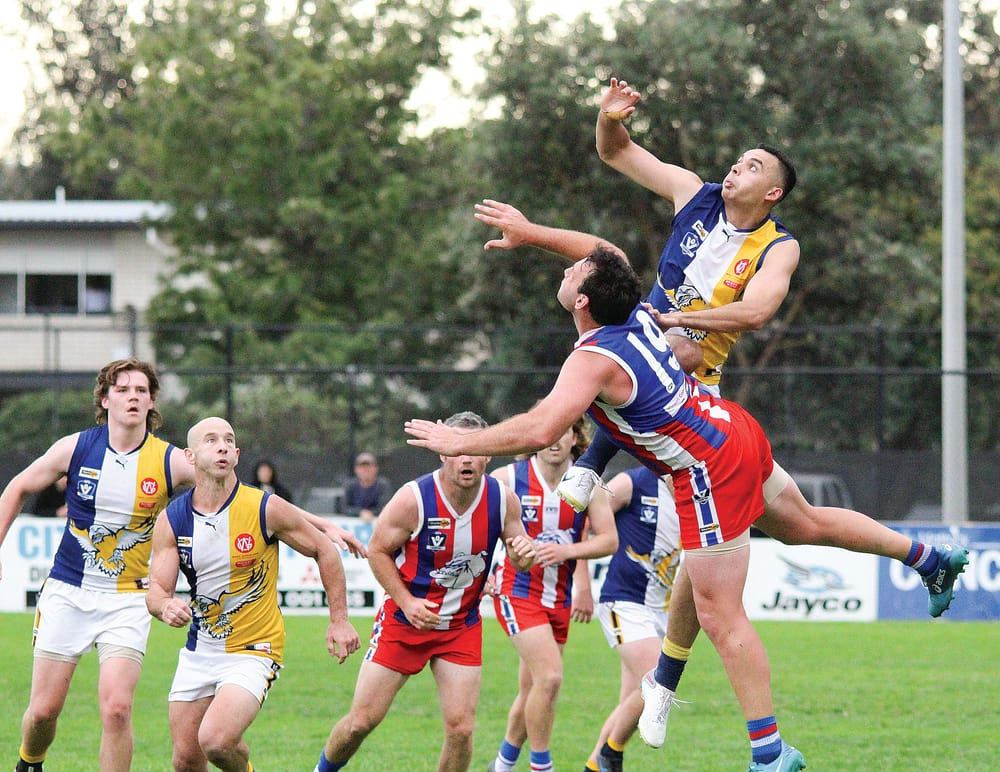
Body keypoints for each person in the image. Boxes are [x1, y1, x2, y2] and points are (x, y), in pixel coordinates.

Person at [404, 230, 963, 772]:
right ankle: (929, 560)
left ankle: (769, 752)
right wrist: (529, 234)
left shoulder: (593, 357)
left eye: (572, 271)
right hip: (730, 427)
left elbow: (541, 426)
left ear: (581, 299)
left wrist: (462, 440)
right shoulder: (640, 314)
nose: (568, 267)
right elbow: (679, 342)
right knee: (804, 524)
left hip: (705, 470)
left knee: (722, 614)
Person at [0, 358, 196, 772]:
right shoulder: (76, 447)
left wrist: (313, 525)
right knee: (42, 713)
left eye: (141, 391)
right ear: (105, 399)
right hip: (68, 592)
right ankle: (30, 760)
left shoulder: (171, 459)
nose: (133, 397)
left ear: (151, 403)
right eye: (123, 389)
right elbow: (17, 487)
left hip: (129, 599)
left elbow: (235, 492)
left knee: (118, 710)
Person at [314, 412, 537, 772]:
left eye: (473, 449)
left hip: (460, 627)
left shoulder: (503, 499)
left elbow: (520, 554)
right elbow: (377, 551)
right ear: (442, 453)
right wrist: (406, 601)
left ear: (488, 455)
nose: (465, 458)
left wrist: (524, 555)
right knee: (361, 723)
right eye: (457, 449)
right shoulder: (413, 498)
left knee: (462, 730)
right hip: (403, 623)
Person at [146, 416, 361, 772]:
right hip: (201, 648)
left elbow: (325, 550)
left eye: (229, 441)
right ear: (190, 456)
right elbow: (155, 591)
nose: (222, 446)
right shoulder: (173, 519)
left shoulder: (265, 507)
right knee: (185, 759)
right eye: (211, 440)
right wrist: (164, 606)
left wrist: (339, 620)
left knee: (216, 740)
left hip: (254, 649)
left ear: (237, 454)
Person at [486, 415, 618, 772]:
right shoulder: (508, 479)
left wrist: (568, 554)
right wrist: (480, 574)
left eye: (564, 431)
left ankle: (502, 764)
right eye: (548, 431)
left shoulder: (586, 482)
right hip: (517, 590)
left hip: (557, 598)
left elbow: (609, 539)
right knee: (551, 678)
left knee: (534, 691)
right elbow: (476, 524)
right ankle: (541, 765)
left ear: (575, 437)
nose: (554, 440)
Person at [582, 466, 682, 772]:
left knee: (632, 699)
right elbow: (587, 524)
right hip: (624, 602)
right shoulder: (633, 481)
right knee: (657, 678)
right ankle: (611, 753)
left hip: (660, 610)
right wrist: (582, 586)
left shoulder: (696, 490)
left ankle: (595, 765)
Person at [342, 451, 392, 522]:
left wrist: (371, 513)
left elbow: (386, 508)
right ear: (356, 469)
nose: (366, 470)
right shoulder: (350, 485)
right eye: (362, 467)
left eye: (369, 467)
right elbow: (344, 508)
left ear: (375, 468)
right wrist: (360, 512)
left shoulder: (383, 485)